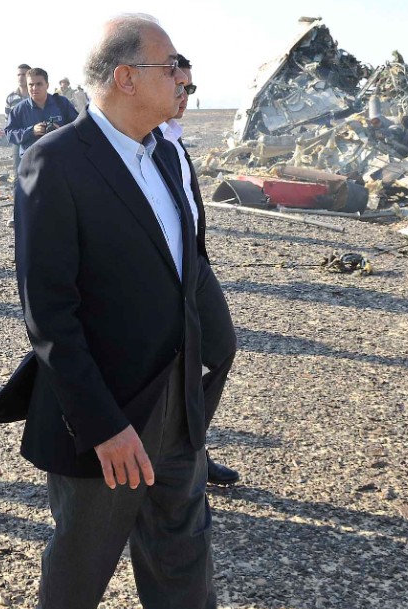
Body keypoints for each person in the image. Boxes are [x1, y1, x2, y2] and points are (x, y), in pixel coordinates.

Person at [4, 14, 217, 609]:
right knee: (79, 573)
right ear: (125, 77)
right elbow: (49, 314)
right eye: (170, 65)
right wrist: (102, 425)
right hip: (106, 419)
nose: (182, 78)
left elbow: (188, 274)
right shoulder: (57, 162)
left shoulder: (170, 157)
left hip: (177, 409)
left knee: (184, 560)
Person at [157, 54, 240, 486]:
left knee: (221, 348)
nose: (184, 97)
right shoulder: (137, 142)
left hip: (194, 264)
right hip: (159, 276)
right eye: (178, 87)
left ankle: (192, 444)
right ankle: (182, 456)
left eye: (189, 89)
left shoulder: (174, 137)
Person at [4, 67, 78, 162]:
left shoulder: (62, 104)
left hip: (59, 159)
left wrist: (61, 131)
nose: (34, 88)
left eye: (39, 84)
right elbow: (10, 134)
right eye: (31, 85)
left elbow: (78, 126)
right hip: (32, 162)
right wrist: (31, 131)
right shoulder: (19, 110)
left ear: (47, 85)